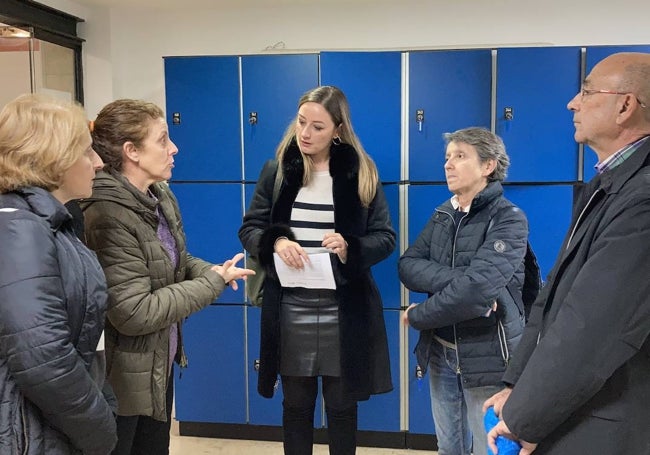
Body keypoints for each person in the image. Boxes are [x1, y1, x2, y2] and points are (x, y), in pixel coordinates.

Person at [484, 52, 650, 455]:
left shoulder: (642, 197)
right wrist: (516, 384)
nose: (572, 102)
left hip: (607, 419)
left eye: (588, 91)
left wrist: (525, 418)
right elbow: (553, 297)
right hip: (578, 407)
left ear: (625, 106)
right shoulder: (608, 184)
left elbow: (593, 324)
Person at [80, 99, 254, 455]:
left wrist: (211, 271)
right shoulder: (107, 213)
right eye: (162, 140)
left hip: (158, 363)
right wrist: (211, 284)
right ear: (132, 152)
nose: (174, 148)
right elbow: (133, 312)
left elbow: (171, 260)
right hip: (121, 379)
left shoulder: (158, 196)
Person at [238, 85, 395, 455]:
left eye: (318, 127)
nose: (305, 134)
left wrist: (349, 246)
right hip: (292, 308)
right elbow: (250, 229)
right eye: (301, 122)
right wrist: (275, 241)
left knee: (342, 407)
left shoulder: (362, 172)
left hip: (344, 310)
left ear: (338, 130)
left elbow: (385, 237)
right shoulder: (277, 171)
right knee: (296, 406)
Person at [398, 127, 531, 455]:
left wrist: (419, 315)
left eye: (460, 156)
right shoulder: (444, 215)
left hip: (488, 356)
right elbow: (408, 265)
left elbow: (474, 295)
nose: (448, 165)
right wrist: (463, 278)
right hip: (442, 353)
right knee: (449, 447)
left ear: (488, 166)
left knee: (492, 448)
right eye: (447, 157)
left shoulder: (508, 219)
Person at [0, 93, 117, 454]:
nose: (98, 162)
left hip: (51, 424)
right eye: (86, 151)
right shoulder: (22, 230)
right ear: (53, 158)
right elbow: (43, 359)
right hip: (32, 431)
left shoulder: (50, 223)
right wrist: (100, 428)